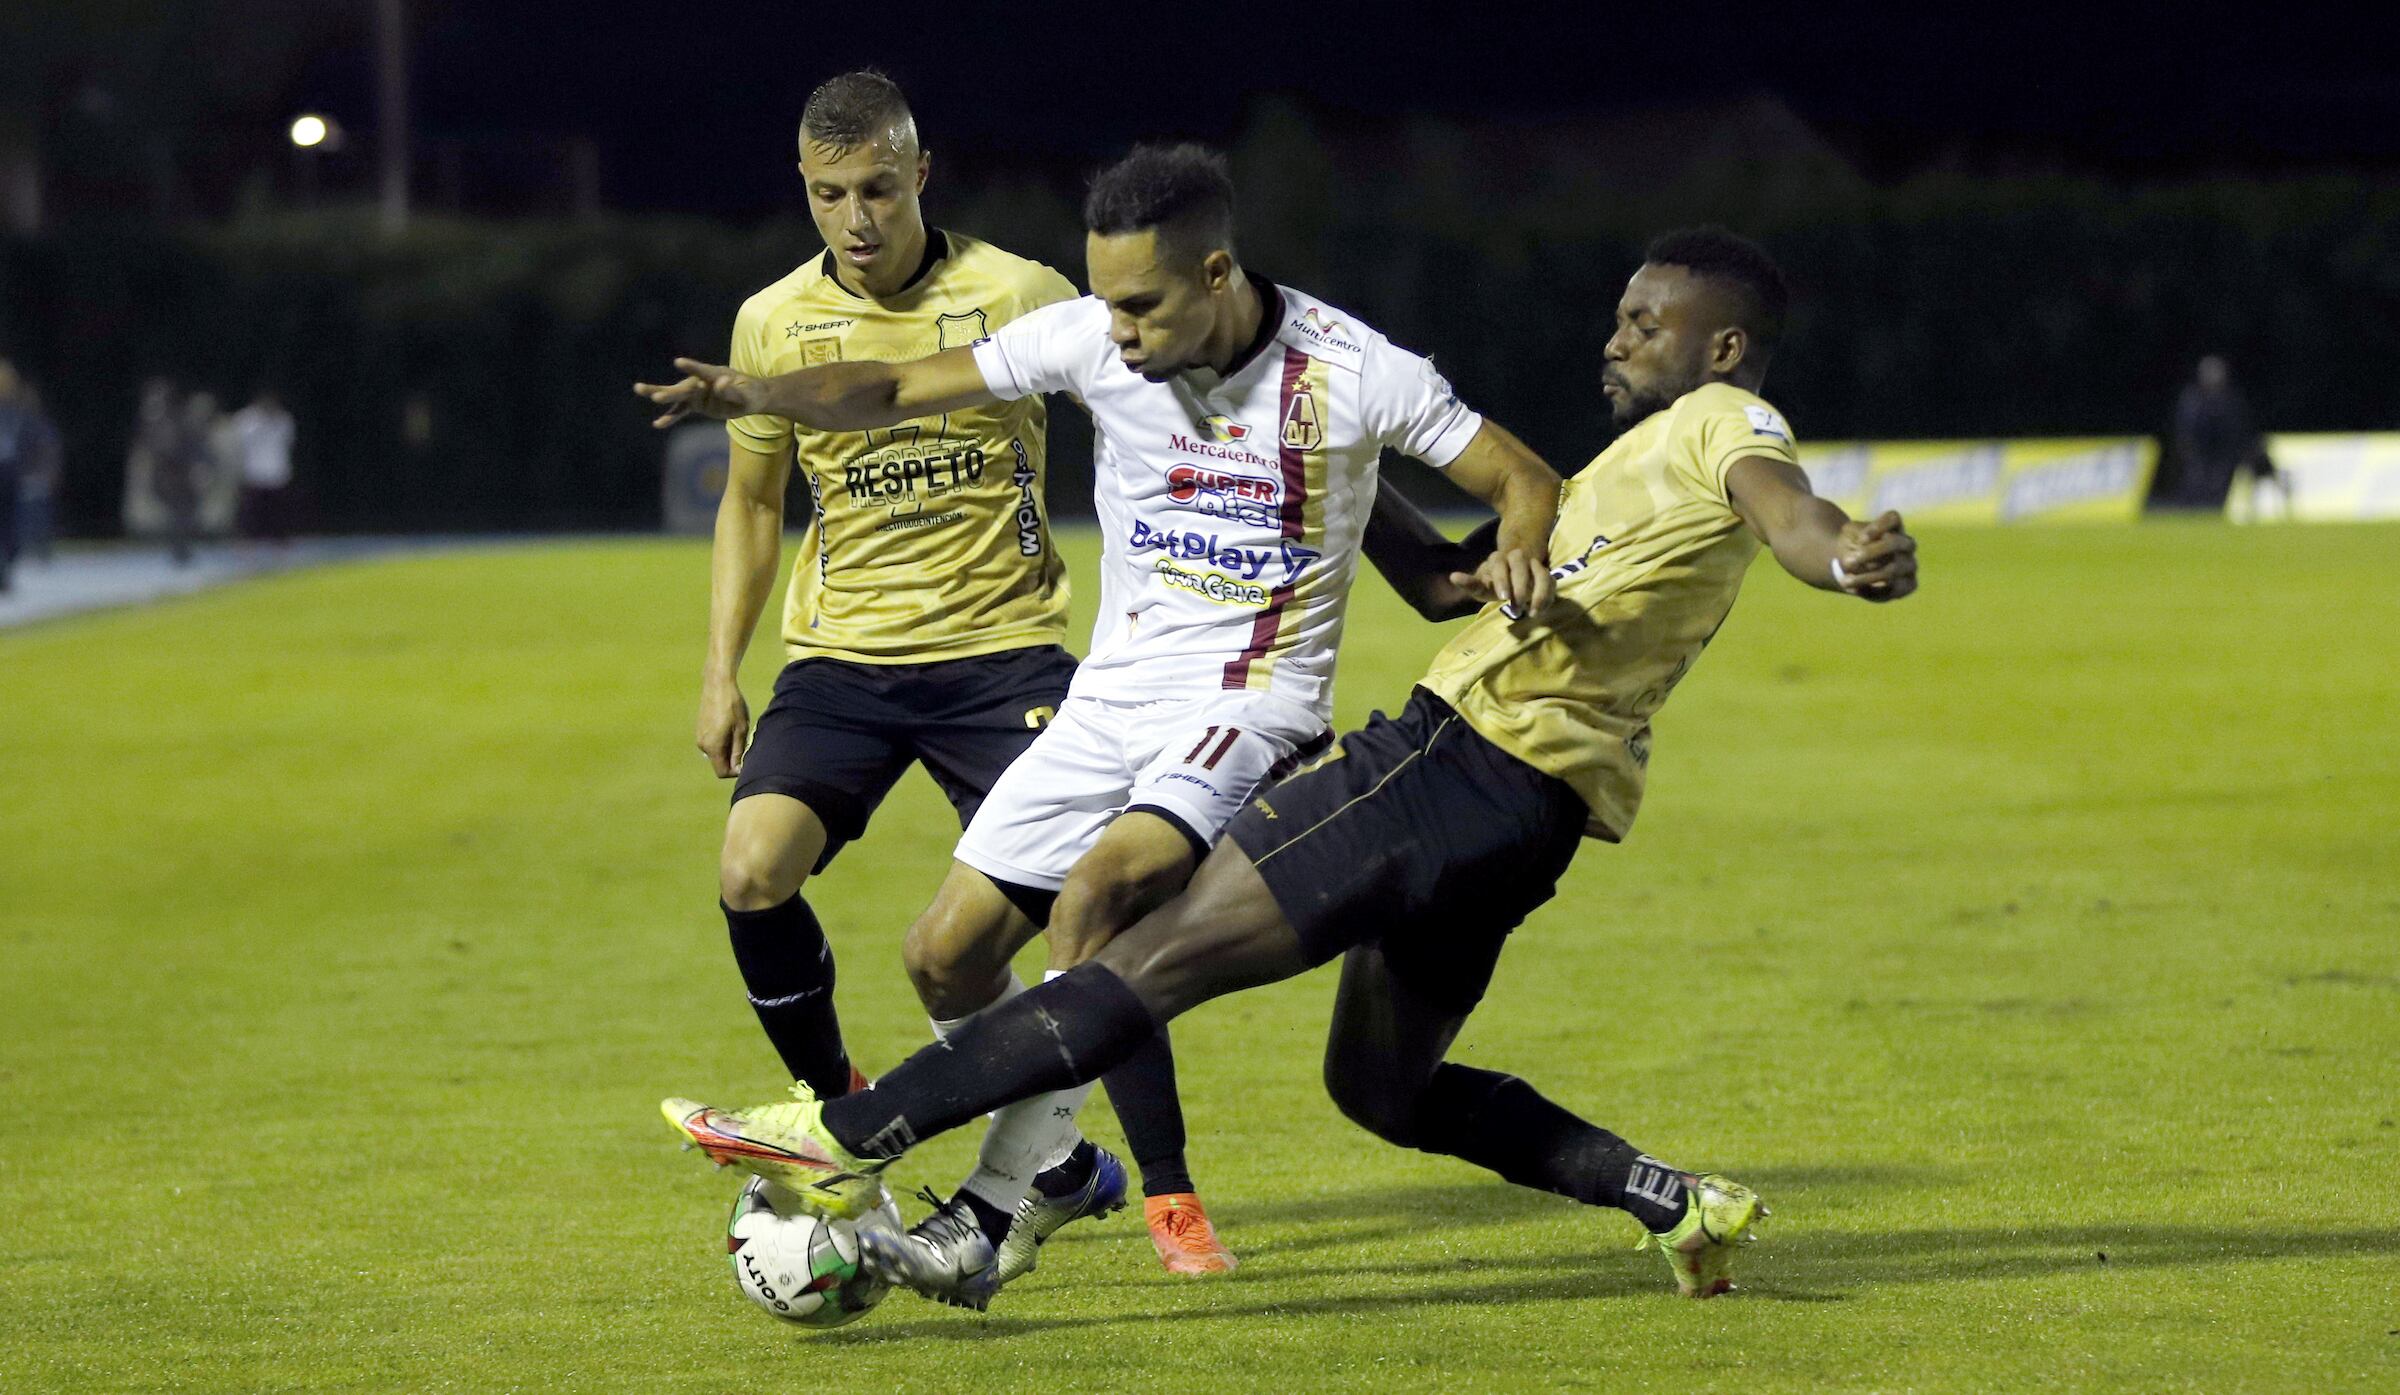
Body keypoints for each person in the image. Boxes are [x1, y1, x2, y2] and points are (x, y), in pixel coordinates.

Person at [654, 227, 1921, 1305]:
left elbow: (1791, 513)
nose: (1618, 339)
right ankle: (1671, 1199)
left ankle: (857, 1143)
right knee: (1380, 1088)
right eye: (1622, 317)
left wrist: (1845, 554)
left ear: (1724, 347)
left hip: (1443, 767)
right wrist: (1364, 488)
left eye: (1647, 324)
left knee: (1131, 958)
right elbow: (1453, 578)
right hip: (1530, 820)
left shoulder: (1723, 423)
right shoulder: (1643, 461)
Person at [642, 143, 1564, 1309]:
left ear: (1216, 274)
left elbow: (1523, 478)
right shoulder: (1088, 337)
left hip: (1248, 701)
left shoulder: (1353, 368)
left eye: (1141, 305)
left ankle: (986, 1218)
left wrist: (1517, 547)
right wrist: (758, 395)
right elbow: (893, 390)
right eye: (1106, 301)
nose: (1116, 331)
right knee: (944, 954)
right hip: (1108, 700)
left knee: (1095, 897)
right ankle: (1064, 1172)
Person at [671, 74, 1241, 1285]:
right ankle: (843, 1120)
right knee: (751, 870)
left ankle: (1163, 1189)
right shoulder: (771, 322)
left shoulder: (1022, 293)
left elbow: (1147, 413)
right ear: (805, 190)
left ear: (921, 174)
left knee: (1094, 909)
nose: (856, 219)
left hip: (1004, 656)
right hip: (844, 660)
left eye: (878, 189)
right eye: (830, 195)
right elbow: (755, 503)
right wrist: (721, 670)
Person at [2169, 355, 2269, 510]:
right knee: (2195, 483)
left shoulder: (2231, 399)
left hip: (2225, 454)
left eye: (2216, 372)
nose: (2213, 376)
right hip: (2199, 453)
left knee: (2220, 485)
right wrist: (2186, 448)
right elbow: (2185, 427)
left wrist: (2243, 450)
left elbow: (2240, 428)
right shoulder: (2192, 398)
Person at [230, 388, 296, 543]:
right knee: (251, 509)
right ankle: (247, 539)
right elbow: (237, 443)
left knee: (277, 509)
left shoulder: (284, 419)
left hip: (276, 471)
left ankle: (279, 538)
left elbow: (289, 442)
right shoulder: (246, 419)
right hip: (253, 471)